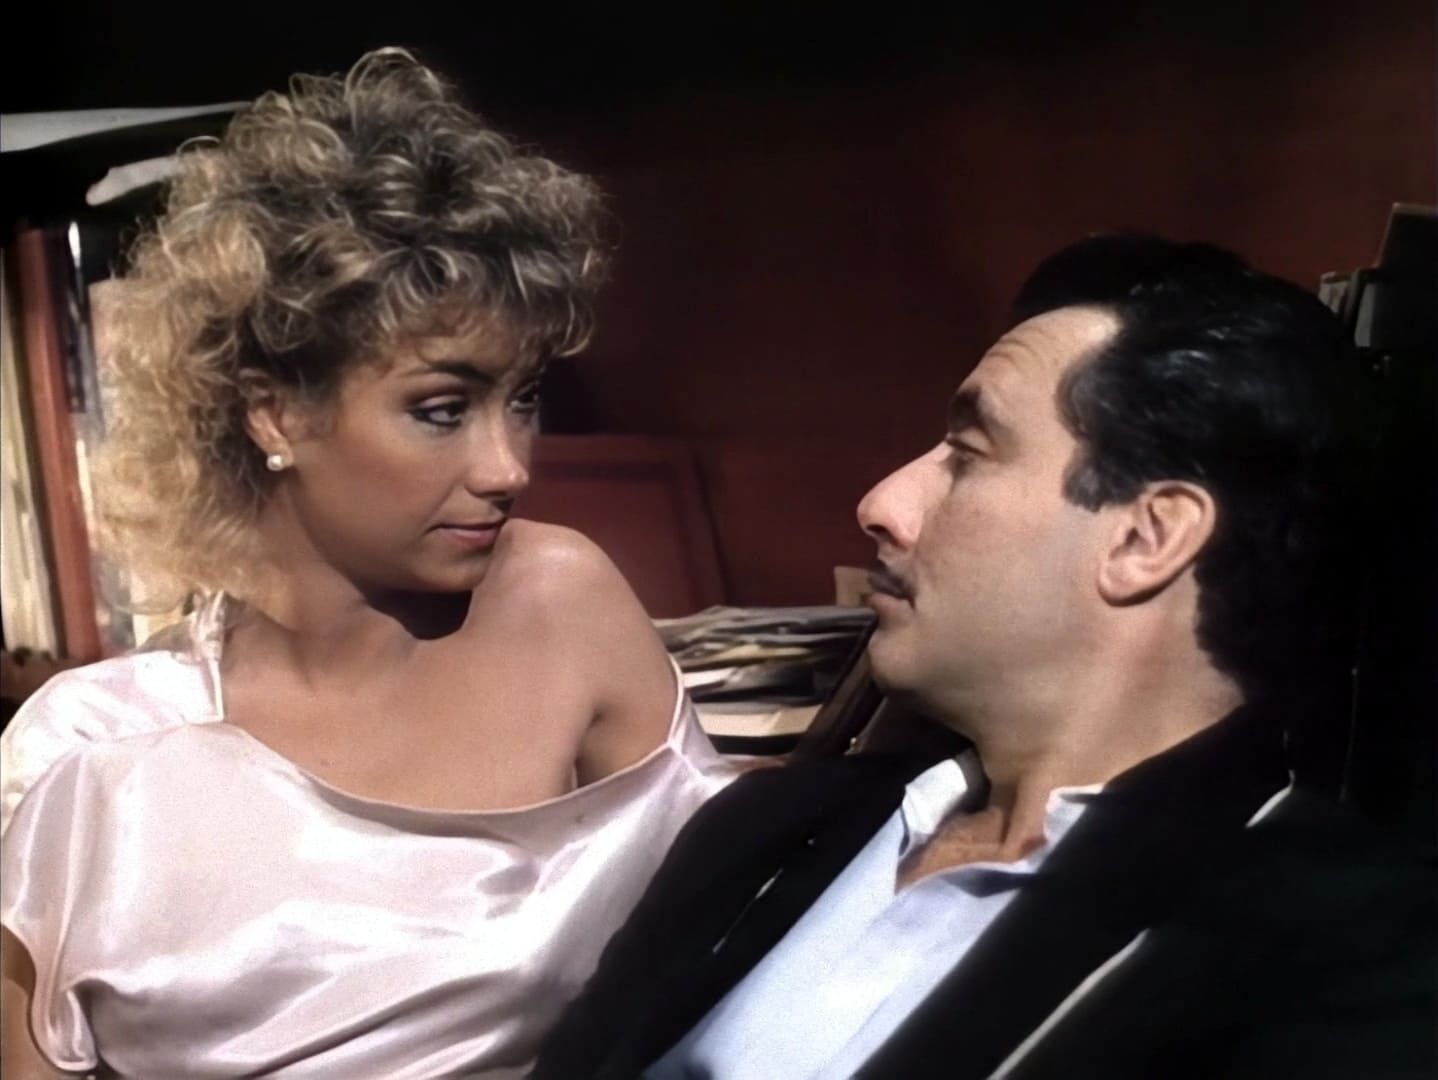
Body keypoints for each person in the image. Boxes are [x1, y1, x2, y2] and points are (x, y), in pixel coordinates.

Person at [534, 235, 1438, 1079]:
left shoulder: (1344, 951)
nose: (881, 503)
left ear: (1146, 538)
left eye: (966, 454)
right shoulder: (767, 829)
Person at [0, 49, 734, 1078]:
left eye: (522, 399)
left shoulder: (561, 606)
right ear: (275, 414)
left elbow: (728, 951)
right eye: (442, 409)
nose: (509, 466)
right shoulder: (92, 757)